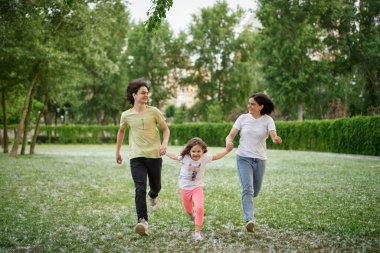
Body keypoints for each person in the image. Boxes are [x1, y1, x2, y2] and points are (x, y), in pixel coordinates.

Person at [116, 79, 170, 236]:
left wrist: (164, 144)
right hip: (136, 156)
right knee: (139, 188)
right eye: (143, 93)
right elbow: (121, 132)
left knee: (156, 186)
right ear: (134, 95)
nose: (146, 95)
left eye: (147, 92)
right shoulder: (126, 115)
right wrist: (117, 151)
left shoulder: (154, 112)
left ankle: (153, 196)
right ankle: (142, 221)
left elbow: (166, 130)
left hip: (154, 155)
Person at [225, 93, 282, 232]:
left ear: (261, 106)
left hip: (260, 159)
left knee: (254, 191)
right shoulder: (242, 118)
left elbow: (273, 134)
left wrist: (275, 139)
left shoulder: (268, 120)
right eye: (249, 103)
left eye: (252, 104)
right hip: (243, 157)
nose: (249, 106)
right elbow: (231, 134)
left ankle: (249, 201)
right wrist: (229, 142)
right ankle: (249, 219)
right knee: (247, 189)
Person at [166, 137, 232, 241]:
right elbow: (174, 156)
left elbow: (215, 156)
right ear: (189, 151)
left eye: (199, 151)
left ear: (203, 151)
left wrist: (226, 151)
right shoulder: (185, 157)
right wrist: (165, 152)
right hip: (185, 188)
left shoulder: (204, 158)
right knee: (188, 210)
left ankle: (197, 232)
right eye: (193, 151)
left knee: (199, 208)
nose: (196, 154)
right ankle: (192, 214)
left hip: (197, 187)